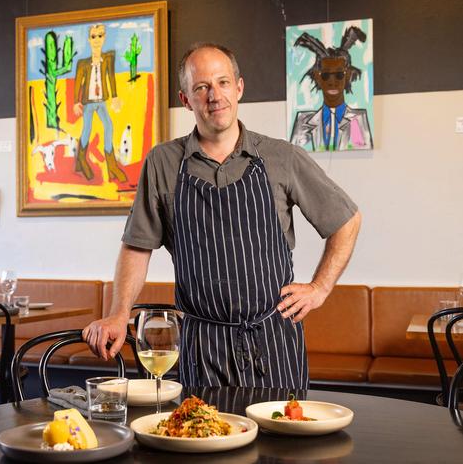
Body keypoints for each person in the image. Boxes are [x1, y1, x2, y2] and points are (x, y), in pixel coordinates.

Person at [83, 43, 361, 389]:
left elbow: (346, 220)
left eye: (223, 82)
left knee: (282, 442)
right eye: (202, 87)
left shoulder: (282, 157)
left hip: (273, 341)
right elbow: (137, 248)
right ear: (186, 99)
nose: (215, 96)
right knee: (203, 437)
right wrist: (119, 313)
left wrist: (320, 287)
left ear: (239, 87)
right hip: (201, 346)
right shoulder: (163, 163)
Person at [290, 27, 373, 151]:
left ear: (348, 76)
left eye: (339, 75)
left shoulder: (358, 120)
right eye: (326, 75)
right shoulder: (303, 122)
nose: (332, 82)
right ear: (318, 77)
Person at [72, 23, 127, 182]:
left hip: (101, 101)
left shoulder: (108, 58)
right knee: (87, 128)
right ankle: (81, 159)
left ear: (105, 38)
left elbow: (111, 78)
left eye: (100, 35)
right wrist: (76, 101)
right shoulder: (83, 63)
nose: (97, 39)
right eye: (94, 36)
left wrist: (115, 96)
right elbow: (78, 83)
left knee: (109, 125)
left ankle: (111, 165)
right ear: (89, 39)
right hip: (88, 103)